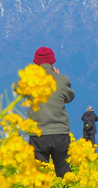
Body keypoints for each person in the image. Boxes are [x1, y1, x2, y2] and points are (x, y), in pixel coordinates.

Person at [27, 46, 76, 177]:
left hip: (38, 135)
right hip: (60, 133)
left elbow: (17, 88)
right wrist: (57, 77)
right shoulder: (62, 80)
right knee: (65, 173)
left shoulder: (30, 80)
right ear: (53, 62)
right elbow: (70, 97)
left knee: (39, 176)